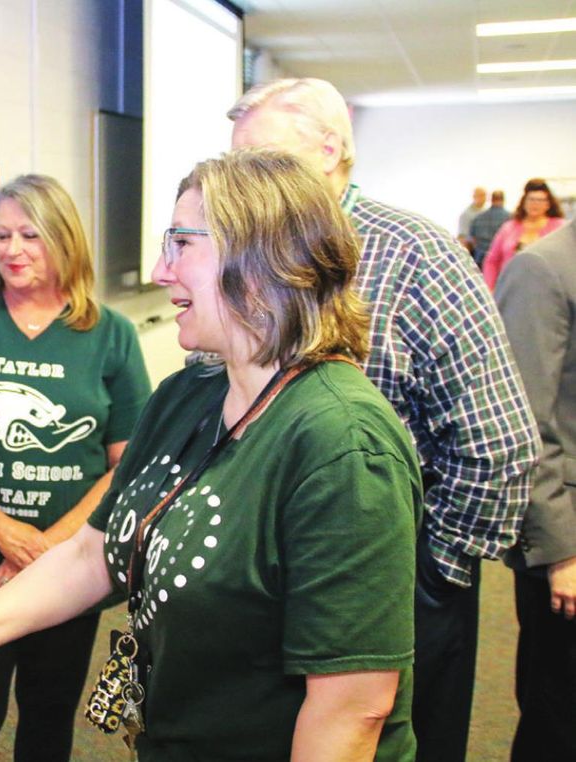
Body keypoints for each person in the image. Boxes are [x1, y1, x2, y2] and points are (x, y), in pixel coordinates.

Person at [0, 149, 423, 761]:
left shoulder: (343, 446)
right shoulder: (188, 395)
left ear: (259, 256)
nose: (159, 271)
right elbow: (91, 554)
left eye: (181, 245)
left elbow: (353, 712)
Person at [226, 78, 538, 762]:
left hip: (399, 570)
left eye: (264, 160)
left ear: (330, 151)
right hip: (272, 574)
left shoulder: (415, 253)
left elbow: (498, 441)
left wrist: (431, 574)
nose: (245, 182)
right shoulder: (244, 257)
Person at [0, 173, 152, 762]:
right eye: (2, 235)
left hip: (68, 574)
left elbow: (127, 466)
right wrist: (8, 537)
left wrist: (42, 555)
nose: (12, 250)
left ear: (64, 240)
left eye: (30, 236)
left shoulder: (109, 335)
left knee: (48, 717)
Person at [493, 220, 576, 761]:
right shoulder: (543, 268)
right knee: (560, 717)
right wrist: (563, 553)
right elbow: (525, 428)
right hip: (568, 540)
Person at [482, 178, 565, 291]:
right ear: (524, 202)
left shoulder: (559, 226)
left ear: (548, 204)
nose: (535, 204)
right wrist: (489, 288)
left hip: (548, 290)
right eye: (531, 199)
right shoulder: (508, 227)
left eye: (540, 200)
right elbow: (491, 261)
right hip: (511, 289)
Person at [469, 189, 510, 268]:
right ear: (503, 200)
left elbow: (472, 239)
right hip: (499, 261)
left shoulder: (478, 217)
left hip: (480, 259)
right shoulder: (510, 218)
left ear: (491, 200)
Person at [456, 186, 486, 254]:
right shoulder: (466, 215)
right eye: (481, 195)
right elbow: (462, 237)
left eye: (484, 196)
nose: (484, 198)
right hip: (472, 252)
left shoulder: (486, 213)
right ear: (474, 197)